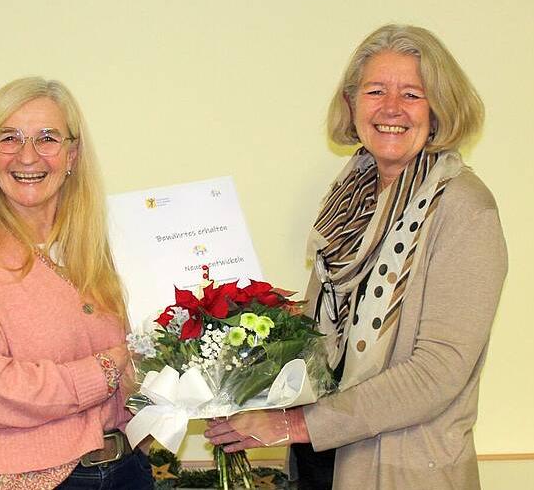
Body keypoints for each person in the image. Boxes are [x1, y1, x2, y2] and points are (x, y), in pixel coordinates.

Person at [205, 24, 508, 489]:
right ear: (351, 103)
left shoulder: (464, 208)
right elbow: (321, 343)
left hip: (404, 471)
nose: (390, 109)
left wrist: (296, 425)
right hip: (323, 462)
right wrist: (240, 364)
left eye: (412, 94)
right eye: (375, 91)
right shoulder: (349, 201)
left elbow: (438, 372)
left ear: (440, 108)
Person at [0, 77, 152, 489]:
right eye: (9, 138)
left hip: (127, 470)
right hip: (26, 480)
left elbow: (146, 353)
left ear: (72, 154)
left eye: (47, 138)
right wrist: (107, 367)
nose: (27, 156)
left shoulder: (102, 250)